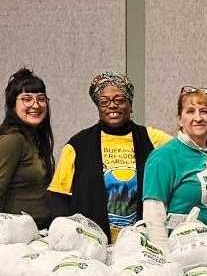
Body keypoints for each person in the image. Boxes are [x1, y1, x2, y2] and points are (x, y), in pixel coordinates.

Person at [49, 72, 172, 241]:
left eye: (119, 100)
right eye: (104, 102)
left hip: (142, 245)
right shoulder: (78, 144)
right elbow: (59, 198)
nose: (112, 106)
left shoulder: (153, 139)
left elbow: (183, 152)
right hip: (92, 245)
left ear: (130, 104)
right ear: (98, 107)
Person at [143, 86, 207, 246]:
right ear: (180, 119)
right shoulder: (164, 156)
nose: (198, 118)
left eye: (204, 111)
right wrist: (165, 260)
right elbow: (153, 216)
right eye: (190, 111)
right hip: (179, 255)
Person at [0, 68, 54, 224]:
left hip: (39, 231)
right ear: (13, 104)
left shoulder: (35, 139)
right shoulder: (10, 140)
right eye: (27, 99)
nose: (36, 105)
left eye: (41, 98)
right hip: (16, 235)